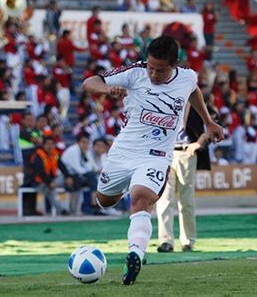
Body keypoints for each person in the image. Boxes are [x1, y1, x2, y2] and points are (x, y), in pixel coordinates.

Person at [82, 35, 223, 285]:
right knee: (104, 200)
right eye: (150, 67)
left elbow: (194, 92)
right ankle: (121, 193)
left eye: (160, 70)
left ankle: (135, 254)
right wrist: (106, 89)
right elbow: (89, 82)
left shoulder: (187, 77)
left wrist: (208, 121)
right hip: (123, 152)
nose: (153, 74)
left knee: (141, 198)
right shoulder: (134, 73)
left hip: (155, 157)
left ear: (174, 65)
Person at [156, 104, 212, 253]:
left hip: (187, 152)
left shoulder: (196, 103)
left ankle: (188, 241)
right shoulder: (166, 98)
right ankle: (165, 241)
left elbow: (213, 122)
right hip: (165, 152)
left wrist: (199, 142)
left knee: (186, 199)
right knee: (164, 198)